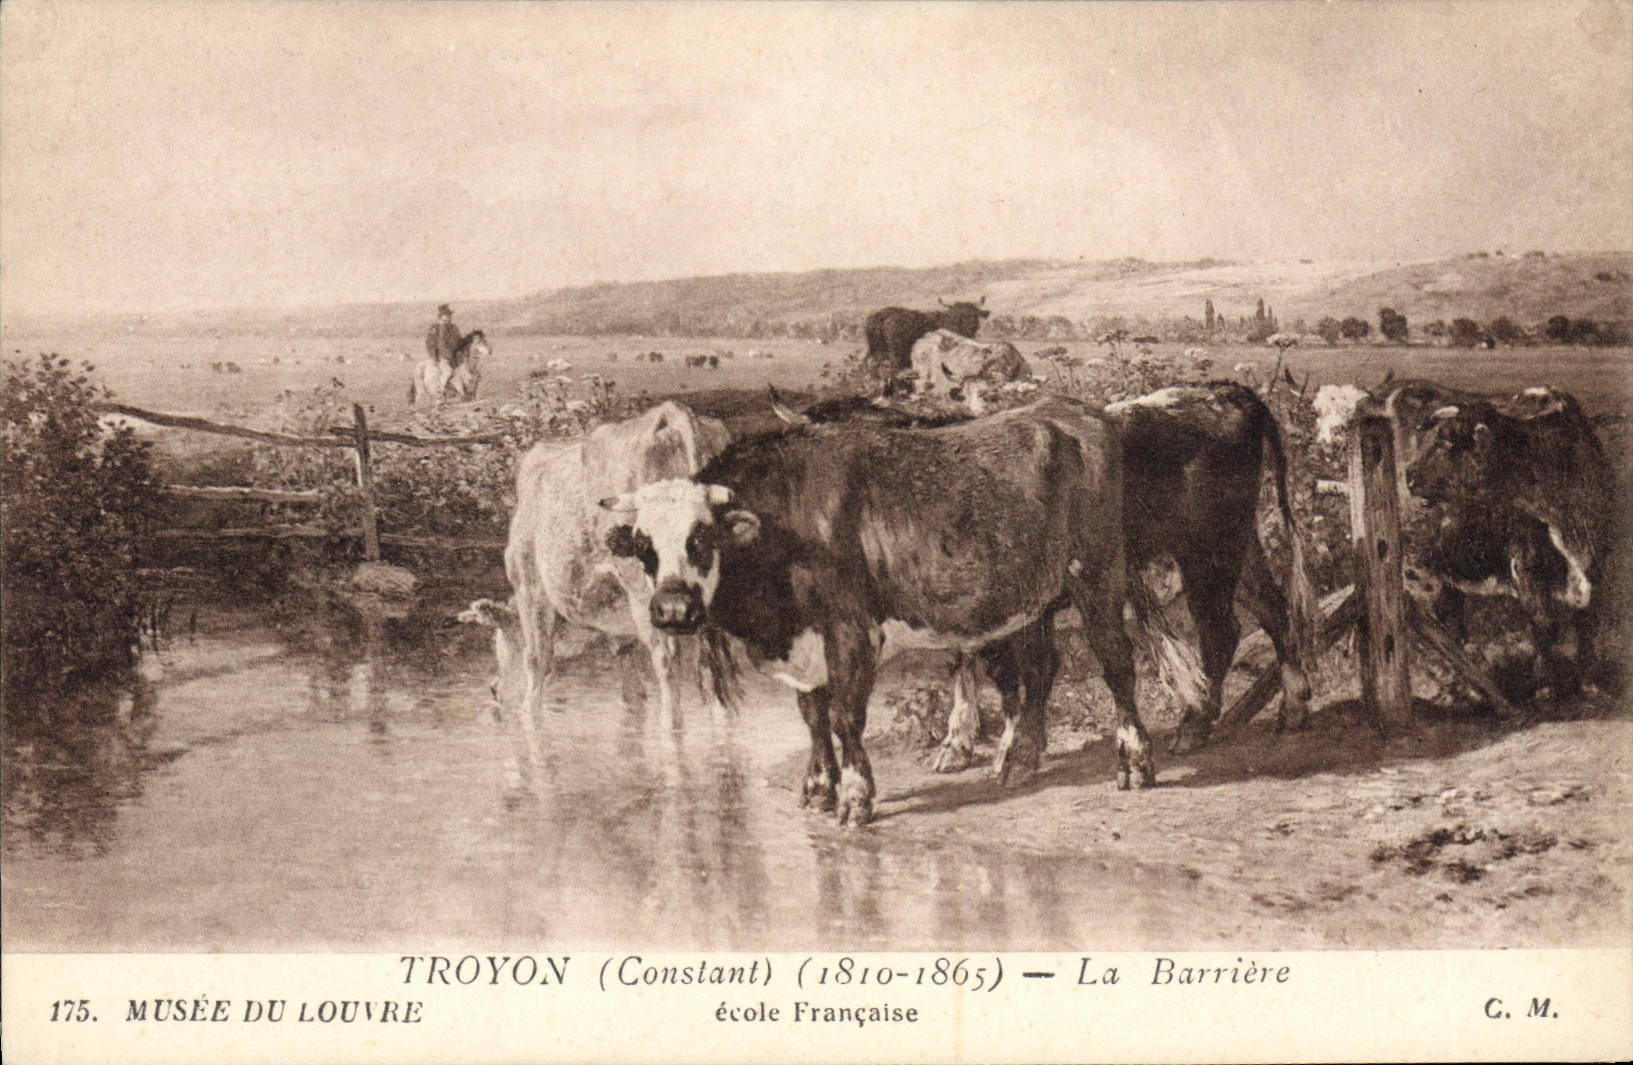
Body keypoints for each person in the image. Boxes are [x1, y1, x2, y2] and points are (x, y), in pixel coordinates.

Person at [426, 304, 463, 368]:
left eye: (449, 316)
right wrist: (434, 358)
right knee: (447, 372)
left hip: (455, 357)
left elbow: (459, 341)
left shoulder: (454, 328)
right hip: (441, 357)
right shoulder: (435, 328)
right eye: (446, 316)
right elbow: (431, 344)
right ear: (440, 318)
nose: (448, 318)